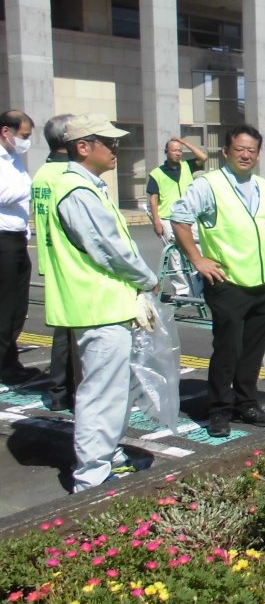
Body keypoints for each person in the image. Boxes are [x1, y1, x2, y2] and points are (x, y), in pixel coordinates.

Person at [44, 115, 158, 490]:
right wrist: (146, 278)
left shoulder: (83, 186)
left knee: (108, 389)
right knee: (101, 393)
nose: (116, 150)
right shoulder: (77, 191)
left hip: (101, 304)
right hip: (98, 305)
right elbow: (108, 249)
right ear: (83, 147)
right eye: (109, 143)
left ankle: (108, 457)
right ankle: (92, 476)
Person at [171, 125, 265, 438]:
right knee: (228, 350)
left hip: (264, 283)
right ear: (226, 151)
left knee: (253, 350)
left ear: (259, 154)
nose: (246, 155)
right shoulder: (209, 184)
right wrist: (198, 260)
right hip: (228, 283)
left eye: (252, 150)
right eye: (240, 149)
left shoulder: (263, 185)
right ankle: (219, 410)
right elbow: (180, 218)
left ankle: (247, 403)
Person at [30, 114, 78, 411]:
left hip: (51, 258)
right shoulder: (66, 175)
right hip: (69, 261)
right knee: (69, 332)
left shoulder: (42, 173)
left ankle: (60, 391)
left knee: (64, 330)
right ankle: (63, 390)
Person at [0, 109, 39, 388]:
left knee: (17, 306)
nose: (26, 141)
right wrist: (34, 186)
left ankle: (9, 360)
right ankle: (6, 365)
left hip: (16, 238)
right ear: (6, 131)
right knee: (6, 306)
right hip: (2, 240)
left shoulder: (13, 159)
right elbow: (3, 194)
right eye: (24, 135)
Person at [146, 136, 208, 297]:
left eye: (180, 151)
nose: (178, 153)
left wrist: (185, 142)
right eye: (174, 150)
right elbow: (153, 199)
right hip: (168, 218)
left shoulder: (188, 166)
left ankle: (200, 286)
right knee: (174, 255)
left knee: (197, 250)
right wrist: (156, 221)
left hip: (189, 217)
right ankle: (183, 291)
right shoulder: (157, 174)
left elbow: (203, 157)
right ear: (167, 152)